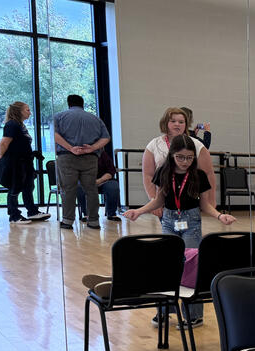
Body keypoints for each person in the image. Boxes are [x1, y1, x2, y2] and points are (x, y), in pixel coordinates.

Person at [124, 134, 237, 325]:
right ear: (172, 155)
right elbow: (158, 200)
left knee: (191, 266)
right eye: (180, 157)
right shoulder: (163, 172)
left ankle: (194, 315)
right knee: (167, 264)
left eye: (189, 158)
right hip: (169, 221)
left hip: (191, 223)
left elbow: (205, 204)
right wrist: (139, 211)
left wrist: (219, 216)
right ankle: (164, 310)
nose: (185, 162)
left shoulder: (198, 175)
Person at [142, 107, 217, 217]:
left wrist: (211, 199)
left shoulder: (197, 145)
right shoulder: (154, 145)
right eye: (173, 121)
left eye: (181, 122)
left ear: (186, 124)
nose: (177, 124)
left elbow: (209, 173)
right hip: (165, 201)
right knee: (168, 228)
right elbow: (148, 175)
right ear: (165, 123)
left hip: (190, 202)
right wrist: (153, 199)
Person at [53, 94, 110, 230]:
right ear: (82, 104)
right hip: (90, 158)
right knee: (91, 189)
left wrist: (71, 148)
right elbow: (106, 138)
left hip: (67, 157)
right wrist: (92, 148)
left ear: (69, 104)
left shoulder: (59, 116)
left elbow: (55, 135)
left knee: (68, 189)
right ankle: (94, 221)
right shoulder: (95, 119)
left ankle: (67, 221)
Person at [0, 101, 49, 225]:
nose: (30, 113)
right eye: (27, 110)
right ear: (18, 111)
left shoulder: (21, 125)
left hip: (25, 162)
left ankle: (32, 212)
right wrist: (1, 155)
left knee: (28, 186)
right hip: (16, 163)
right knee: (15, 188)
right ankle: (14, 216)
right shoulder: (12, 125)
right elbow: (4, 143)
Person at [76, 148, 121, 222]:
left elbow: (111, 171)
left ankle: (111, 213)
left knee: (113, 186)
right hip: (85, 182)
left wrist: (99, 180)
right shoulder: (78, 154)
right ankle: (87, 214)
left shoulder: (102, 154)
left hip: (103, 181)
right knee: (79, 186)